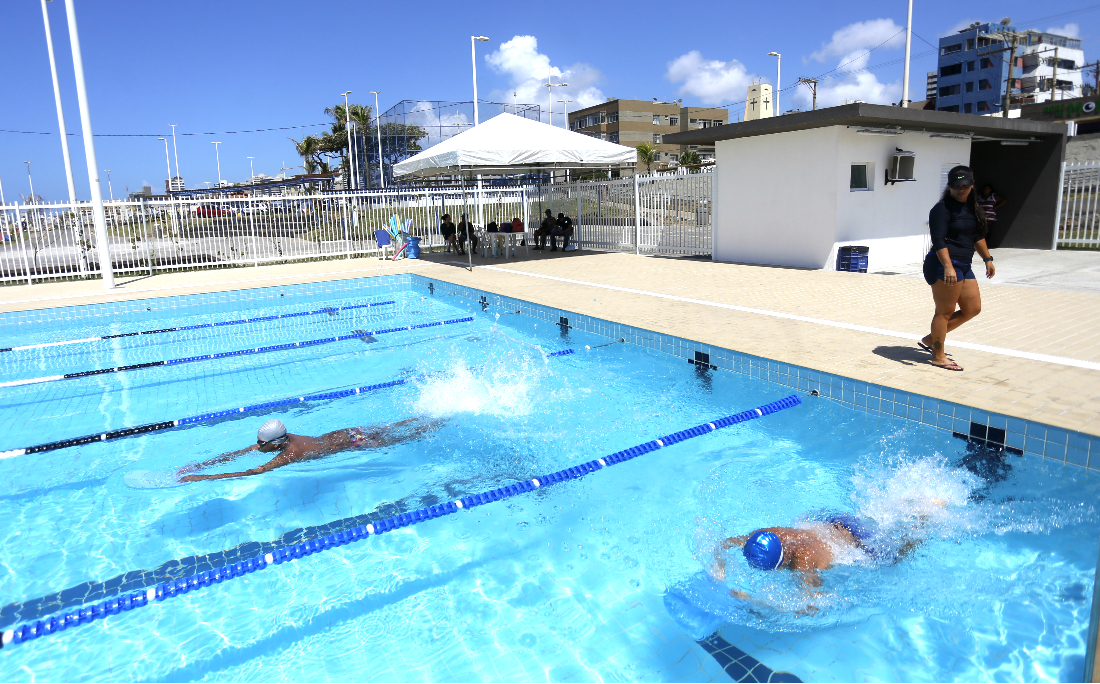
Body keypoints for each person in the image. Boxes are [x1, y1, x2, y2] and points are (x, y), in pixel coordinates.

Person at [177, 417, 440, 482]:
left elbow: (253, 471)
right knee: (392, 427)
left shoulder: (291, 454)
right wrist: (202, 464)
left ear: (277, 444)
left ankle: (438, 422)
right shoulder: (284, 437)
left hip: (354, 442)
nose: (258, 447)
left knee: (403, 437)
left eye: (262, 444)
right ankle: (424, 417)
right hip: (345, 432)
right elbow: (240, 454)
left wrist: (203, 477)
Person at [919, 166, 995, 372]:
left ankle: (932, 338)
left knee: (973, 308)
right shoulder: (942, 209)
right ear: (949, 186)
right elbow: (938, 239)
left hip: (963, 264)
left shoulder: (973, 208)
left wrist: (987, 258)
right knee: (944, 312)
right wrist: (948, 267)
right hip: (942, 264)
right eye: (956, 186)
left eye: (965, 186)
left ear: (971, 185)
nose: (961, 190)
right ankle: (938, 355)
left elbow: (977, 236)